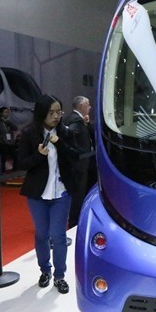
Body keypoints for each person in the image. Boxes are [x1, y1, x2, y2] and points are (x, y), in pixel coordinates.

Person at [18, 94, 78, 294]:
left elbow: (75, 156)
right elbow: (22, 164)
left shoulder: (65, 132)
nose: (56, 116)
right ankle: (45, 271)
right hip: (38, 194)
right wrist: (38, 155)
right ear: (41, 112)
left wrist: (59, 143)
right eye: (51, 112)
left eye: (58, 112)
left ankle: (60, 276)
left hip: (61, 193)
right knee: (42, 234)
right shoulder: (29, 133)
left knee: (58, 236)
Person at [63, 96, 95, 228]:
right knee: (78, 194)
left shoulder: (80, 120)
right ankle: (74, 222)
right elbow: (70, 133)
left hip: (83, 162)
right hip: (78, 164)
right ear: (81, 106)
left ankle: (76, 220)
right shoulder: (75, 120)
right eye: (88, 105)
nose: (90, 107)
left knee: (81, 193)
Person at [0, 107, 19, 172]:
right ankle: (2, 171)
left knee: (15, 156)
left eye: (8, 112)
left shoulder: (9, 121)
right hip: (3, 142)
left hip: (11, 142)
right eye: (5, 112)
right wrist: (0, 139)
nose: (7, 114)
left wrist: (9, 122)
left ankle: (15, 170)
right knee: (3, 158)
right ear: (1, 113)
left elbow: (16, 128)